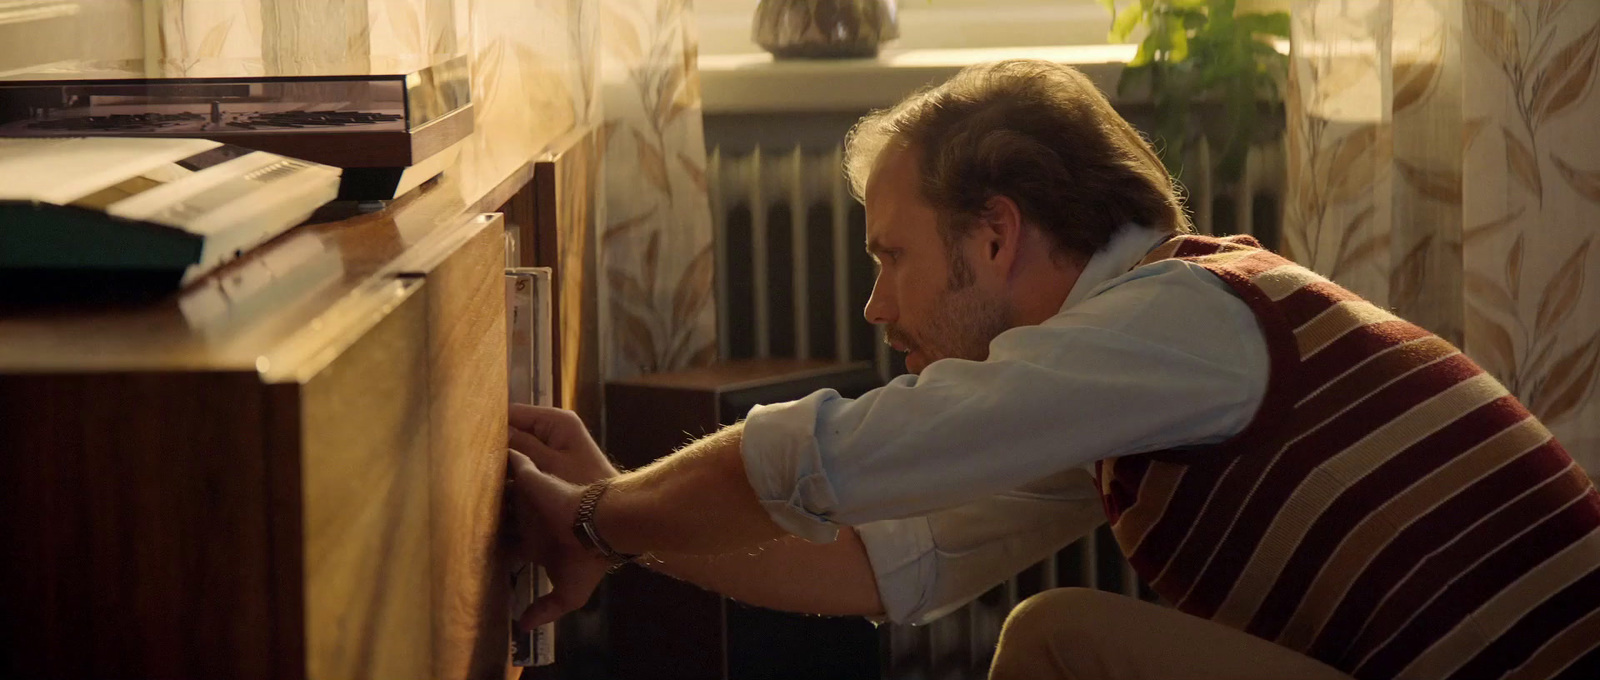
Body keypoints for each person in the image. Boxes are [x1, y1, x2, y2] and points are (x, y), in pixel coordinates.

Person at [503, 59, 1600, 680]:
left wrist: (603, 515)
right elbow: (873, 564)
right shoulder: (1126, 377)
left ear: (995, 235)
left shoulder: (1179, 318)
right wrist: (624, 525)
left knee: (1056, 642)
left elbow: (825, 453)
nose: (876, 304)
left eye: (892, 255)